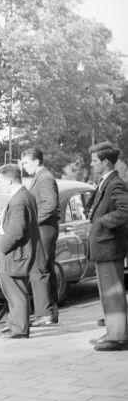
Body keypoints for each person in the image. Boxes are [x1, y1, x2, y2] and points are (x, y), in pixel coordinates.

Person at [86, 142, 128, 351]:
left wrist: (103, 221)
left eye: (94, 161)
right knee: (108, 293)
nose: (91, 164)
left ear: (105, 162)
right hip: (105, 246)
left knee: (113, 293)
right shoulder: (107, 182)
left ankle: (118, 337)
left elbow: (125, 209)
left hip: (109, 245)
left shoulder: (115, 183)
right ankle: (114, 331)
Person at [0, 164, 43, 339]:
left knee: (15, 291)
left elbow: (17, 230)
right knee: (16, 289)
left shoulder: (18, 200)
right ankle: (13, 324)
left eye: (1, 181)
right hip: (21, 252)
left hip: (14, 253)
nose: (0, 185)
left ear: (9, 180)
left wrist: (2, 246)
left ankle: (20, 328)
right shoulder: (25, 196)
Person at [20, 148, 60, 326]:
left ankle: (44, 314)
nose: (24, 167)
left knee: (39, 269)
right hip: (46, 227)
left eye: (27, 163)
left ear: (37, 162)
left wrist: (34, 222)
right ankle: (51, 313)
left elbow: (49, 205)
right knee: (46, 269)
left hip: (44, 228)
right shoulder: (42, 177)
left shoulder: (44, 178)